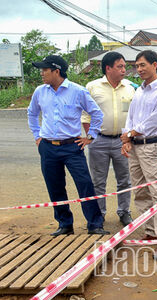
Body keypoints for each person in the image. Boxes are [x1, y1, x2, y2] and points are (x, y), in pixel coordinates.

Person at [27, 55, 109, 236]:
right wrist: (37, 136)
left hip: (72, 147)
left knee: (85, 184)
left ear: (56, 71)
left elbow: (96, 114)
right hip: (48, 147)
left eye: (44, 69)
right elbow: (32, 114)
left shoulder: (77, 91)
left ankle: (95, 225)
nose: (41, 73)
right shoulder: (40, 91)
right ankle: (65, 225)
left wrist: (90, 136)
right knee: (55, 187)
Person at [120, 50, 157, 259]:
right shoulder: (140, 91)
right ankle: (150, 233)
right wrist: (127, 138)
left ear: (155, 65)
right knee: (141, 191)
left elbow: (154, 121)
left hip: (151, 147)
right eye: (137, 66)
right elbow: (131, 117)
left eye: (143, 65)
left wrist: (130, 134)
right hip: (135, 146)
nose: (139, 69)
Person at [81, 51, 135, 226]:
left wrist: (128, 139)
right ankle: (99, 214)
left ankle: (124, 212)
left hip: (123, 141)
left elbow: (133, 115)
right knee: (98, 181)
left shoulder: (129, 88)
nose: (124, 70)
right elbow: (85, 115)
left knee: (125, 180)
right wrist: (92, 137)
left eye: (124, 67)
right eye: (120, 66)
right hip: (99, 141)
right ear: (108, 68)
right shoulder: (92, 87)